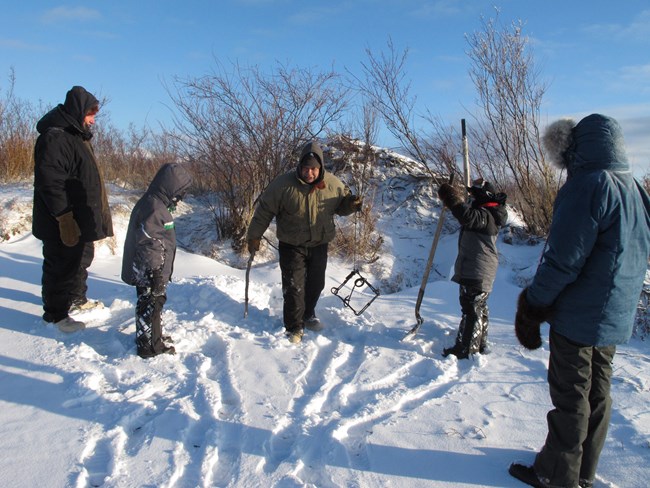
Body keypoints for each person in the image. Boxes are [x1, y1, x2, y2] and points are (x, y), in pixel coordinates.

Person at [509, 114, 650, 488]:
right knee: (598, 393)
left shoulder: (588, 186)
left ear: (573, 149)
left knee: (571, 398)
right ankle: (583, 470)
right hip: (615, 315)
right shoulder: (635, 188)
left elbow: (563, 260)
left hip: (578, 316)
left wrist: (533, 305)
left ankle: (557, 476)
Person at [246, 141, 362, 343]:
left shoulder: (333, 184)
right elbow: (264, 211)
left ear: (320, 168)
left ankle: (308, 314)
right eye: (306, 168)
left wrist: (351, 205)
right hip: (292, 244)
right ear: (299, 166)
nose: (309, 173)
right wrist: (254, 235)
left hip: (319, 243)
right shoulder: (282, 185)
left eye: (314, 169)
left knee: (316, 284)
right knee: (294, 287)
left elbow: (342, 207)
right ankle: (294, 327)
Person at [32, 86, 113, 333]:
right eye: (91, 114)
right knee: (60, 265)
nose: (93, 120)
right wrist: (64, 217)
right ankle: (55, 317)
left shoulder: (76, 136)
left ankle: (75, 299)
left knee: (79, 260)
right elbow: (50, 182)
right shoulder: (55, 137)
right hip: (62, 219)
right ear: (78, 111)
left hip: (78, 217)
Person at [121, 163, 192, 358]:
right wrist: (155, 274)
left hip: (148, 268)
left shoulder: (154, 203)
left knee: (151, 304)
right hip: (149, 269)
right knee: (151, 304)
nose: (180, 198)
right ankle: (150, 347)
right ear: (170, 187)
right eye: (179, 193)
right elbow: (150, 242)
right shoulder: (154, 207)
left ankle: (154, 336)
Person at [437, 178, 508, 359]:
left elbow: (466, 216)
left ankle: (466, 349)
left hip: (477, 268)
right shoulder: (490, 214)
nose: (471, 199)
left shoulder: (485, 215)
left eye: (474, 195)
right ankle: (478, 343)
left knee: (471, 308)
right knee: (478, 307)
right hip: (479, 268)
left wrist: (451, 198)